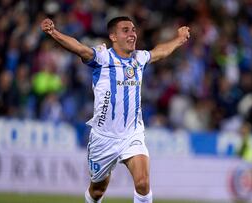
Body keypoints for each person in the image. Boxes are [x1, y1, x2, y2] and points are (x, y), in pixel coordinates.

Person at [41, 16, 190, 203]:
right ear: (113, 36)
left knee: (143, 183)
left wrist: (179, 39)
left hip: (132, 134)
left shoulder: (139, 58)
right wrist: (53, 32)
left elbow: (160, 52)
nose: (132, 34)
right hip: (103, 138)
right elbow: (78, 48)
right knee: (97, 190)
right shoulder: (103, 57)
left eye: (134, 30)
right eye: (126, 30)